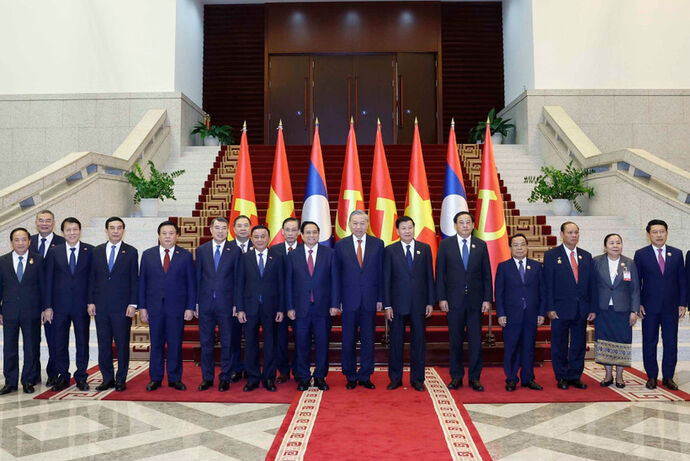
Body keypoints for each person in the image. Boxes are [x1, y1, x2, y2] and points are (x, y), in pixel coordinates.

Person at [436, 211, 492, 392]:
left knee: (475, 342)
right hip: (454, 301)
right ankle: (456, 377)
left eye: (468, 222)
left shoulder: (481, 245)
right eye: (461, 222)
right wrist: (441, 298)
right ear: (455, 225)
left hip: (476, 302)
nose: (465, 225)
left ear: (473, 225)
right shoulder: (445, 245)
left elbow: (486, 274)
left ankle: (475, 378)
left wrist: (487, 298)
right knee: (455, 341)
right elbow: (440, 274)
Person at [138, 221, 196, 391]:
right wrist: (142, 307)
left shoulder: (185, 255)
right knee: (156, 343)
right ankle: (155, 378)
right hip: (154, 307)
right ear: (159, 236)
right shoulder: (148, 255)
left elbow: (191, 284)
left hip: (177, 308)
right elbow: (142, 283)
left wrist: (190, 307)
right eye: (164, 233)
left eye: (171, 233)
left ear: (177, 236)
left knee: (175, 343)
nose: (168, 236)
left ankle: (174, 378)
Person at [286, 221, 339, 391]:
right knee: (302, 344)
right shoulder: (293, 255)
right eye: (308, 232)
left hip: (323, 308)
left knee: (322, 344)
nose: (311, 235)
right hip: (300, 308)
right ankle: (303, 377)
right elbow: (288, 284)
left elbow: (335, 281)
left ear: (319, 234)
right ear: (301, 235)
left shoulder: (330, 254)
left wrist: (334, 304)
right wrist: (290, 307)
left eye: (314, 232)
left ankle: (320, 377)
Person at [383, 216, 434, 392]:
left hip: (419, 304)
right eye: (403, 228)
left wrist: (430, 301)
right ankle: (395, 378)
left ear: (414, 228)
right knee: (396, 343)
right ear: (397, 231)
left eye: (410, 227)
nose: (407, 231)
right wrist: (387, 305)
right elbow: (386, 279)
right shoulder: (390, 250)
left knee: (418, 343)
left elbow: (429, 277)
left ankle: (417, 379)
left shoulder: (424, 249)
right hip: (397, 305)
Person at [88, 217, 139, 392]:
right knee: (104, 344)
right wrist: (90, 301)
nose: (115, 231)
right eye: (112, 228)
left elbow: (134, 280)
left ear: (123, 231)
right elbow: (91, 278)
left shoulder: (131, 252)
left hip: (122, 307)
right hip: (101, 306)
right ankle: (107, 378)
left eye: (119, 228)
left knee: (122, 344)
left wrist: (133, 303)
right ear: (106, 230)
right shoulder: (97, 251)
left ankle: (121, 379)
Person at [634, 219, 686, 390]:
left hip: (671, 307)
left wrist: (682, 303)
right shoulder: (641, 254)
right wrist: (638, 303)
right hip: (649, 307)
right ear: (648, 234)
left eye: (662, 231)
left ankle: (668, 377)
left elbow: (682, 280)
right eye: (655, 232)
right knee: (649, 341)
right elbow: (636, 282)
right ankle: (651, 376)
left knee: (671, 342)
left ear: (667, 233)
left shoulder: (676, 254)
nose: (658, 235)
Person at [335, 210, 384, 389]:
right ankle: (350, 375)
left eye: (362, 223)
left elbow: (381, 273)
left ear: (367, 224)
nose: (358, 227)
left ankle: (365, 375)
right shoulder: (340, 245)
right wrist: (337, 299)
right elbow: (337, 275)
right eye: (355, 223)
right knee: (348, 340)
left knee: (368, 340)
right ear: (349, 224)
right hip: (348, 300)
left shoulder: (378, 244)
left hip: (370, 300)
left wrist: (380, 298)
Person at [543, 221, 595, 390]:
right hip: (559, 309)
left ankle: (575, 375)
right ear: (562, 235)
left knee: (579, 344)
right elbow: (548, 284)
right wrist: (550, 308)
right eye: (570, 232)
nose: (574, 235)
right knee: (559, 344)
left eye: (576, 232)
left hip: (581, 309)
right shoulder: (552, 255)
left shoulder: (586, 256)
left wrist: (592, 308)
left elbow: (591, 285)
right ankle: (562, 376)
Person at [44, 217, 94, 391]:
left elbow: (92, 279)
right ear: (63, 232)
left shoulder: (90, 251)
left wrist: (91, 301)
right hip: (59, 306)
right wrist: (48, 306)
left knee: (82, 342)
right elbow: (48, 281)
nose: (72, 233)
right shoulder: (54, 252)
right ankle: (63, 376)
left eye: (75, 229)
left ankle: (81, 376)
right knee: (59, 342)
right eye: (68, 230)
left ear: (80, 231)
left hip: (82, 306)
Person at [0, 228, 51, 394]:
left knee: (31, 347)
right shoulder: (3, 261)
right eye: (17, 240)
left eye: (23, 239)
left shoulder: (38, 260)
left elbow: (44, 287)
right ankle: (10, 382)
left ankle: (28, 380)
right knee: (9, 348)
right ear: (12, 242)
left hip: (32, 311)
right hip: (9, 311)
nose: (20, 243)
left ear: (29, 242)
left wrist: (46, 308)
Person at [236, 225, 285, 392]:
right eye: (256, 237)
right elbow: (239, 284)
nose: (259, 240)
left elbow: (281, 285)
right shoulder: (244, 258)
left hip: (271, 308)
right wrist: (240, 309)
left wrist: (281, 309)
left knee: (271, 344)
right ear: (252, 238)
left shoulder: (277, 257)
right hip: (249, 308)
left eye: (263, 236)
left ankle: (269, 378)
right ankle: (253, 378)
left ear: (269, 238)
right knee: (250, 344)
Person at [195, 217, 241, 392]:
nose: (220, 231)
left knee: (227, 342)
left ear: (228, 230)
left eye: (223, 228)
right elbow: (198, 278)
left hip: (227, 304)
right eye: (217, 228)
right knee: (206, 342)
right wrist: (196, 302)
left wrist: (237, 303)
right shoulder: (202, 250)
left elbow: (238, 279)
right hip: (205, 303)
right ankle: (207, 378)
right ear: (211, 229)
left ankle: (225, 377)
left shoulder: (235, 250)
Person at [495, 233, 545, 391]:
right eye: (516, 245)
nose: (519, 248)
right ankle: (511, 378)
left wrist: (541, 313)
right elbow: (499, 293)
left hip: (531, 314)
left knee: (529, 347)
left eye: (522, 244)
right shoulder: (504, 267)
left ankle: (528, 378)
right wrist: (500, 313)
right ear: (510, 248)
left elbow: (542, 291)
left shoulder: (536, 266)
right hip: (511, 315)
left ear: (527, 247)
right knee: (511, 347)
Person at [591, 233, 640, 388]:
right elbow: (591, 287)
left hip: (623, 310)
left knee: (622, 342)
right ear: (605, 246)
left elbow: (635, 289)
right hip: (602, 309)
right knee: (604, 341)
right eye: (611, 243)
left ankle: (619, 376)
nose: (615, 246)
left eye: (618, 243)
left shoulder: (629, 263)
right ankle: (607, 375)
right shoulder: (596, 262)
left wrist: (634, 311)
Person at [29, 209, 65, 387]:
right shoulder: (28, 241)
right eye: (41, 220)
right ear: (36, 222)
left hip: (53, 299)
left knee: (54, 339)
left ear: (54, 223)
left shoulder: (62, 242)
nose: (44, 223)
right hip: (31, 299)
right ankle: (33, 374)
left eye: (48, 220)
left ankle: (53, 373)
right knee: (32, 339)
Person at [269, 217, 301, 383]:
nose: (290, 233)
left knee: (300, 338)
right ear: (282, 231)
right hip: (279, 303)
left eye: (294, 230)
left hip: (299, 303)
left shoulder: (305, 248)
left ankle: (298, 370)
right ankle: (283, 371)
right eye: (287, 230)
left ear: (299, 232)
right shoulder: (274, 250)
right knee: (280, 339)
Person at [228, 214, 253, 382]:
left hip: (252, 301)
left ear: (250, 228)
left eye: (246, 225)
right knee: (234, 337)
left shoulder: (259, 245)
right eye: (240, 225)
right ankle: (236, 368)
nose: (243, 228)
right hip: (231, 302)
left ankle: (251, 368)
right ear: (234, 229)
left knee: (251, 338)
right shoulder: (227, 247)